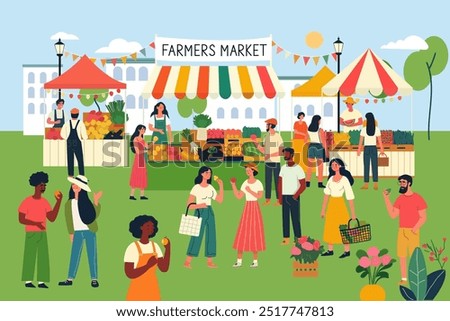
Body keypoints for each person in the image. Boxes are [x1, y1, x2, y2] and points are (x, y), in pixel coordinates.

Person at [18, 171, 62, 288]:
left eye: (44, 185)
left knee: (43, 257)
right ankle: (28, 281)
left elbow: (51, 218)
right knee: (29, 256)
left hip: (43, 233)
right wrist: (36, 224)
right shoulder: (27, 201)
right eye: (41, 185)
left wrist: (58, 202)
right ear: (35, 185)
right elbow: (21, 219)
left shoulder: (45, 202)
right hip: (31, 233)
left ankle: (41, 281)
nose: (43, 187)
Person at [58, 175, 103, 288]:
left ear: (82, 188)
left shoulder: (86, 202)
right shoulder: (69, 203)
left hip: (89, 231)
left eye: (77, 185)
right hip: (77, 232)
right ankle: (70, 278)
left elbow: (94, 215)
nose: (74, 186)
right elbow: (68, 219)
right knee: (74, 255)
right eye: (73, 184)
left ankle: (94, 278)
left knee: (92, 254)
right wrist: (71, 232)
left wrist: (96, 201)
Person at [382, 174, 427, 285]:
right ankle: (404, 279)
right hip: (401, 231)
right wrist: (386, 198)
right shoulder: (400, 199)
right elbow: (393, 215)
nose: (401, 184)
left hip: (413, 232)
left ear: (409, 183)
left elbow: (423, 217)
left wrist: (414, 229)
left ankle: (416, 279)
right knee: (402, 256)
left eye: (403, 182)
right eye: (400, 182)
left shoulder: (418, 198)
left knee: (414, 257)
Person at [184, 166, 224, 269]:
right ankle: (188, 261)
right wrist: (199, 205)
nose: (209, 174)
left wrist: (221, 186)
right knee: (196, 235)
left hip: (210, 211)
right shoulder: (196, 187)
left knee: (211, 235)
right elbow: (188, 204)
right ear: (201, 173)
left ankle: (210, 261)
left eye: (210, 172)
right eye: (207, 172)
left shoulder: (210, 187)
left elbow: (219, 200)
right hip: (199, 212)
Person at [124, 215, 170, 300]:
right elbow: (129, 273)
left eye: (152, 226)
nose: (151, 228)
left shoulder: (155, 246)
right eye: (148, 225)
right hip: (136, 291)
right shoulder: (132, 247)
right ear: (141, 227)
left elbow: (164, 268)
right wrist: (148, 265)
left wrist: (167, 248)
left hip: (153, 290)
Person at [320, 158, 357, 259]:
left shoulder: (344, 179)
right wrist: (323, 210)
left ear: (340, 166)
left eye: (336, 164)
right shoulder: (330, 179)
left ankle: (347, 251)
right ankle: (330, 250)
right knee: (330, 226)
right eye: (332, 165)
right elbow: (326, 195)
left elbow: (350, 196)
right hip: (331, 205)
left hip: (340, 205)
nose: (334, 166)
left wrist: (353, 213)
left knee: (343, 228)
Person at [230, 163, 265, 268]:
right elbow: (239, 196)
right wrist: (233, 185)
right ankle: (239, 260)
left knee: (255, 232)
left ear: (253, 171)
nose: (247, 172)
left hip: (254, 207)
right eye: (246, 170)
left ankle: (255, 261)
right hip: (247, 208)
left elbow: (259, 196)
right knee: (243, 232)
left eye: (249, 170)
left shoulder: (258, 183)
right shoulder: (245, 182)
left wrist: (250, 191)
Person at [278, 148, 306, 245]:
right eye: (284, 153)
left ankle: (298, 238)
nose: (285, 155)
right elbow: (280, 183)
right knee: (285, 218)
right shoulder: (283, 168)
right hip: (284, 196)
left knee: (295, 218)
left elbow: (303, 185)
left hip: (294, 197)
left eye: (286, 153)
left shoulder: (298, 169)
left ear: (292, 154)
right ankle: (286, 238)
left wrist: (295, 196)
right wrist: (280, 197)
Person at [252, 118, 284, 206]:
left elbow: (281, 151)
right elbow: (263, 150)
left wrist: (270, 155)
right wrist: (256, 144)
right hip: (267, 162)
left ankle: (279, 200)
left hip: (276, 162)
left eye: (267, 124)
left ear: (271, 125)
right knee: (268, 181)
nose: (266, 126)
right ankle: (267, 199)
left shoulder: (278, 136)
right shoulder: (266, 137)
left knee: (277, 181)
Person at [357, 112, 385, 190]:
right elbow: (379, 141)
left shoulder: (364, 129)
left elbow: (360, 141)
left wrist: (359, 149)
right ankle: (374, 184)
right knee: (373, 165)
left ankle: (368, 184)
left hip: (367, 149)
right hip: (373, 149)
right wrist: (381, 149)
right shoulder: (376, 129)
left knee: (367, 166)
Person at [60, 108, 88, 177]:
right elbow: (84, 135)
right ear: (78, 115)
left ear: (71, 114)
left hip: (69, 142)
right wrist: (85, 138)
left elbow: (62, 133)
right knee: (80, 159)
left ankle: (70, 175)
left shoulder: (67, 123)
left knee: (70, 159)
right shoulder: (80, 123)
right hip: (77, 143)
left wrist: (66, 138)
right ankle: (81, 175)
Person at [305, 115, 327, 188]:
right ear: (318, 121)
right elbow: (323, 141)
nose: (320, 121)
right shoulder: (320, 130)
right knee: (320, 166)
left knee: (309, 166)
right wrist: (325, 149)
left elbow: (305, 140)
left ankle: (307, 182)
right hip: (318, 147)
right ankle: (320, 183)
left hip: (311, 147)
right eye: (320, 120)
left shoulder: (308, 129)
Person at [129, 124, 149, 200]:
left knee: (143, 175)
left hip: (142, 159)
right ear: (138, 130)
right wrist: (145, 150)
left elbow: (147, 147)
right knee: (136, 175)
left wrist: (153, 142)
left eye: (144, 130)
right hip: (138, 159)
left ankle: (142, 195)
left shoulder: (143, 139)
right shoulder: (136, 139)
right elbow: (137, 151)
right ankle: (131, 195)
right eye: (142, 129)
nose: (143, 131)